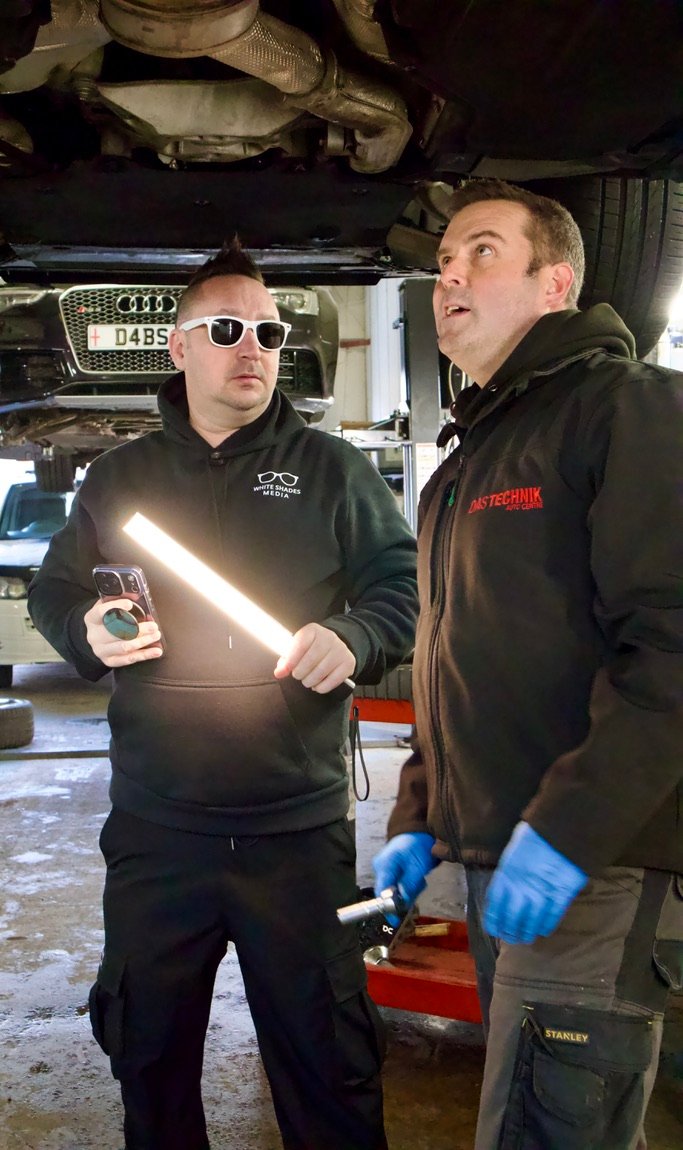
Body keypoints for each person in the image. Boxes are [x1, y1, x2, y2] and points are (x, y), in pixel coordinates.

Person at [28, 238, 418, 1150]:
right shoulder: (120, 478)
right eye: (229, 329)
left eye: (271, 332)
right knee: (151, 1063)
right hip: (161, 832)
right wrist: (84, 633)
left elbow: (400, 584)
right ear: (179, 347)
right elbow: (55, 590)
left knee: (329, 1067)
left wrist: (354, 635)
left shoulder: (331, 469)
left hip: (294, 831)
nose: (255, 348)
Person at [372, 178, 683, 1150]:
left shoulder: (626, 410)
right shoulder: (465, 461)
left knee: (546, 1129)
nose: (448, 274)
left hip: (592, 862)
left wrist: (568, 830)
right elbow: (451, 665)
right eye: (441, 261)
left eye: (480, 253)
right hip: (495, 860)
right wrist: (418, 814)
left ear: (554, 284)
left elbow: (671, 644)